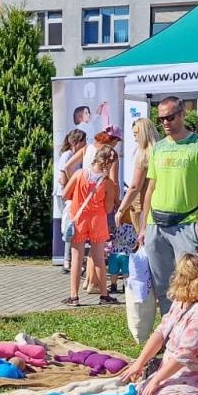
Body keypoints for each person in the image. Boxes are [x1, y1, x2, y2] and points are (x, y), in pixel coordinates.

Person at [119, 254, 198, 395]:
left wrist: (156, 380)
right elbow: (160, 333)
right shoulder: (180, 302)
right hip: (178, 371)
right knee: (144, 389)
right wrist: (139, 363)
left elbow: (184, 354)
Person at [141, 97, 198, 314]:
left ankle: (194, 325)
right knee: (162, 285)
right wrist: (143, 226)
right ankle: (169, 325)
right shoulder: (159, 148)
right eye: (161, 119)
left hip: (186, 223)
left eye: (170, 117)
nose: (165, 122)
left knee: (191, 283)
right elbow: (151, 187)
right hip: (156, 224)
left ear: (183, 115)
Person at [62, 142, 119, 306]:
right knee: (99, 258)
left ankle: (74, 296)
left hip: (79, 218)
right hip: (98, 220)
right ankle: (104, 295)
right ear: (108, 163)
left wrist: (78, 199)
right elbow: (109, 208)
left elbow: (65, 195)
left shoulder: (79, 174)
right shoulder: (108, 183)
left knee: (76, 258)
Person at [115, 116, 158, 240]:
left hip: (143, 206)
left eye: (136, 135)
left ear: (143, 134)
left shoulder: (144, 154)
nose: (135, 139)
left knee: (144, 242)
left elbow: (135, 186)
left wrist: (121, 210)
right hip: (160, 205)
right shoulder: (161, 151)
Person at [53, 127, 89, 269]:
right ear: (75, 142)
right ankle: (68, 260)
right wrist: (72, 189)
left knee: (73, 226)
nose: (86, 144)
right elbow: (63, 178)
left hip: (71, 194)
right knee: (70, 226)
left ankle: (71, 259)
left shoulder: (77, 156)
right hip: (66, 195)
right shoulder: (67, 155)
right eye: (83, 141)